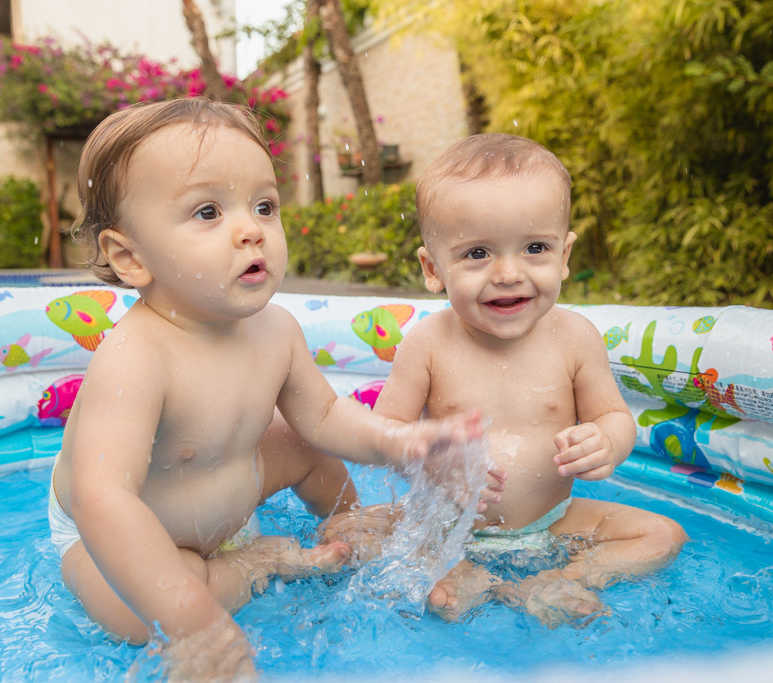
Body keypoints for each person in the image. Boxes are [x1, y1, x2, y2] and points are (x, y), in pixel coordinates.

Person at [49, 97, 483, 679]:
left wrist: (399, 439)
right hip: (124, 532)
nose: (251, 229)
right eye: (208, 211)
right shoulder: (135, 357)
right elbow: (102, 500)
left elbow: (326, 416)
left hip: (232, 488)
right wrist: (191, 619)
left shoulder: (275, 330)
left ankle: (346, 523)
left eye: (263, 205)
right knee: (135, 618)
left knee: (307, 444)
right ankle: (253, 565)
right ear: (129, 256)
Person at [324, 133, 688, 627]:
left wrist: (606, 442)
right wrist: (434, 466)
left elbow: (613, 415)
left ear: (564, 256)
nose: (509, 273)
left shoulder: (575, 338)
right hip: (447, 523)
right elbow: (383, 434)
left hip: (552, 522)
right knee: (342, 531)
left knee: (664, 535)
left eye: (535, 248)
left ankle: (566, 578)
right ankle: (465, 569)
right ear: (434, 269)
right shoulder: (428, 344)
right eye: (477, 253)